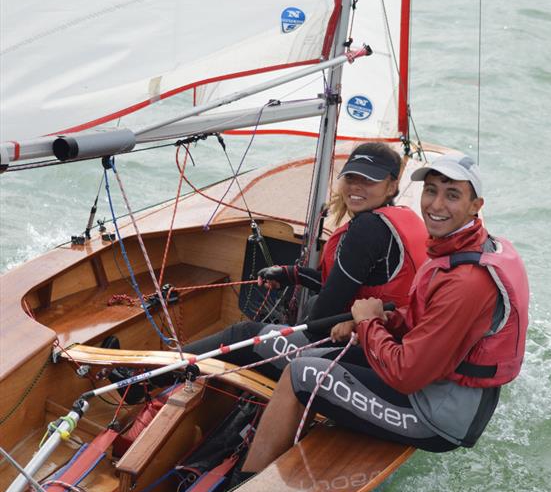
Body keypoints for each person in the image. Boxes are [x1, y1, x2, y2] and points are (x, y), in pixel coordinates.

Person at [241, 152, 530, 472]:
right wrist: (376, 321)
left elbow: (407, 374)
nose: (435, 205)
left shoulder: (468, 282)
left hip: (436, 414)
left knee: (300, 373)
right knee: (316, 359)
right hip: (438, 386)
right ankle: (286, 458)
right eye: (431, 190)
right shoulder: (464, 246)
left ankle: (247, 484)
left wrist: (368, 323)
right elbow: (425, 317)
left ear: (476, 206)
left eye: (452, 195)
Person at [182, 142, 428, 380]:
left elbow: (320, 321)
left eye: (369, 180)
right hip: (395, 344)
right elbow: (347, 286)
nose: (356, 187)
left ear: (392, 185)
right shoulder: (404, 218)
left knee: (243, 334)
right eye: (352, 178)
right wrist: (292, 274)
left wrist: (290, 337)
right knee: (308, 306)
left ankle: (158, 368)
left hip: (368, 355)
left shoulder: (368, 228)